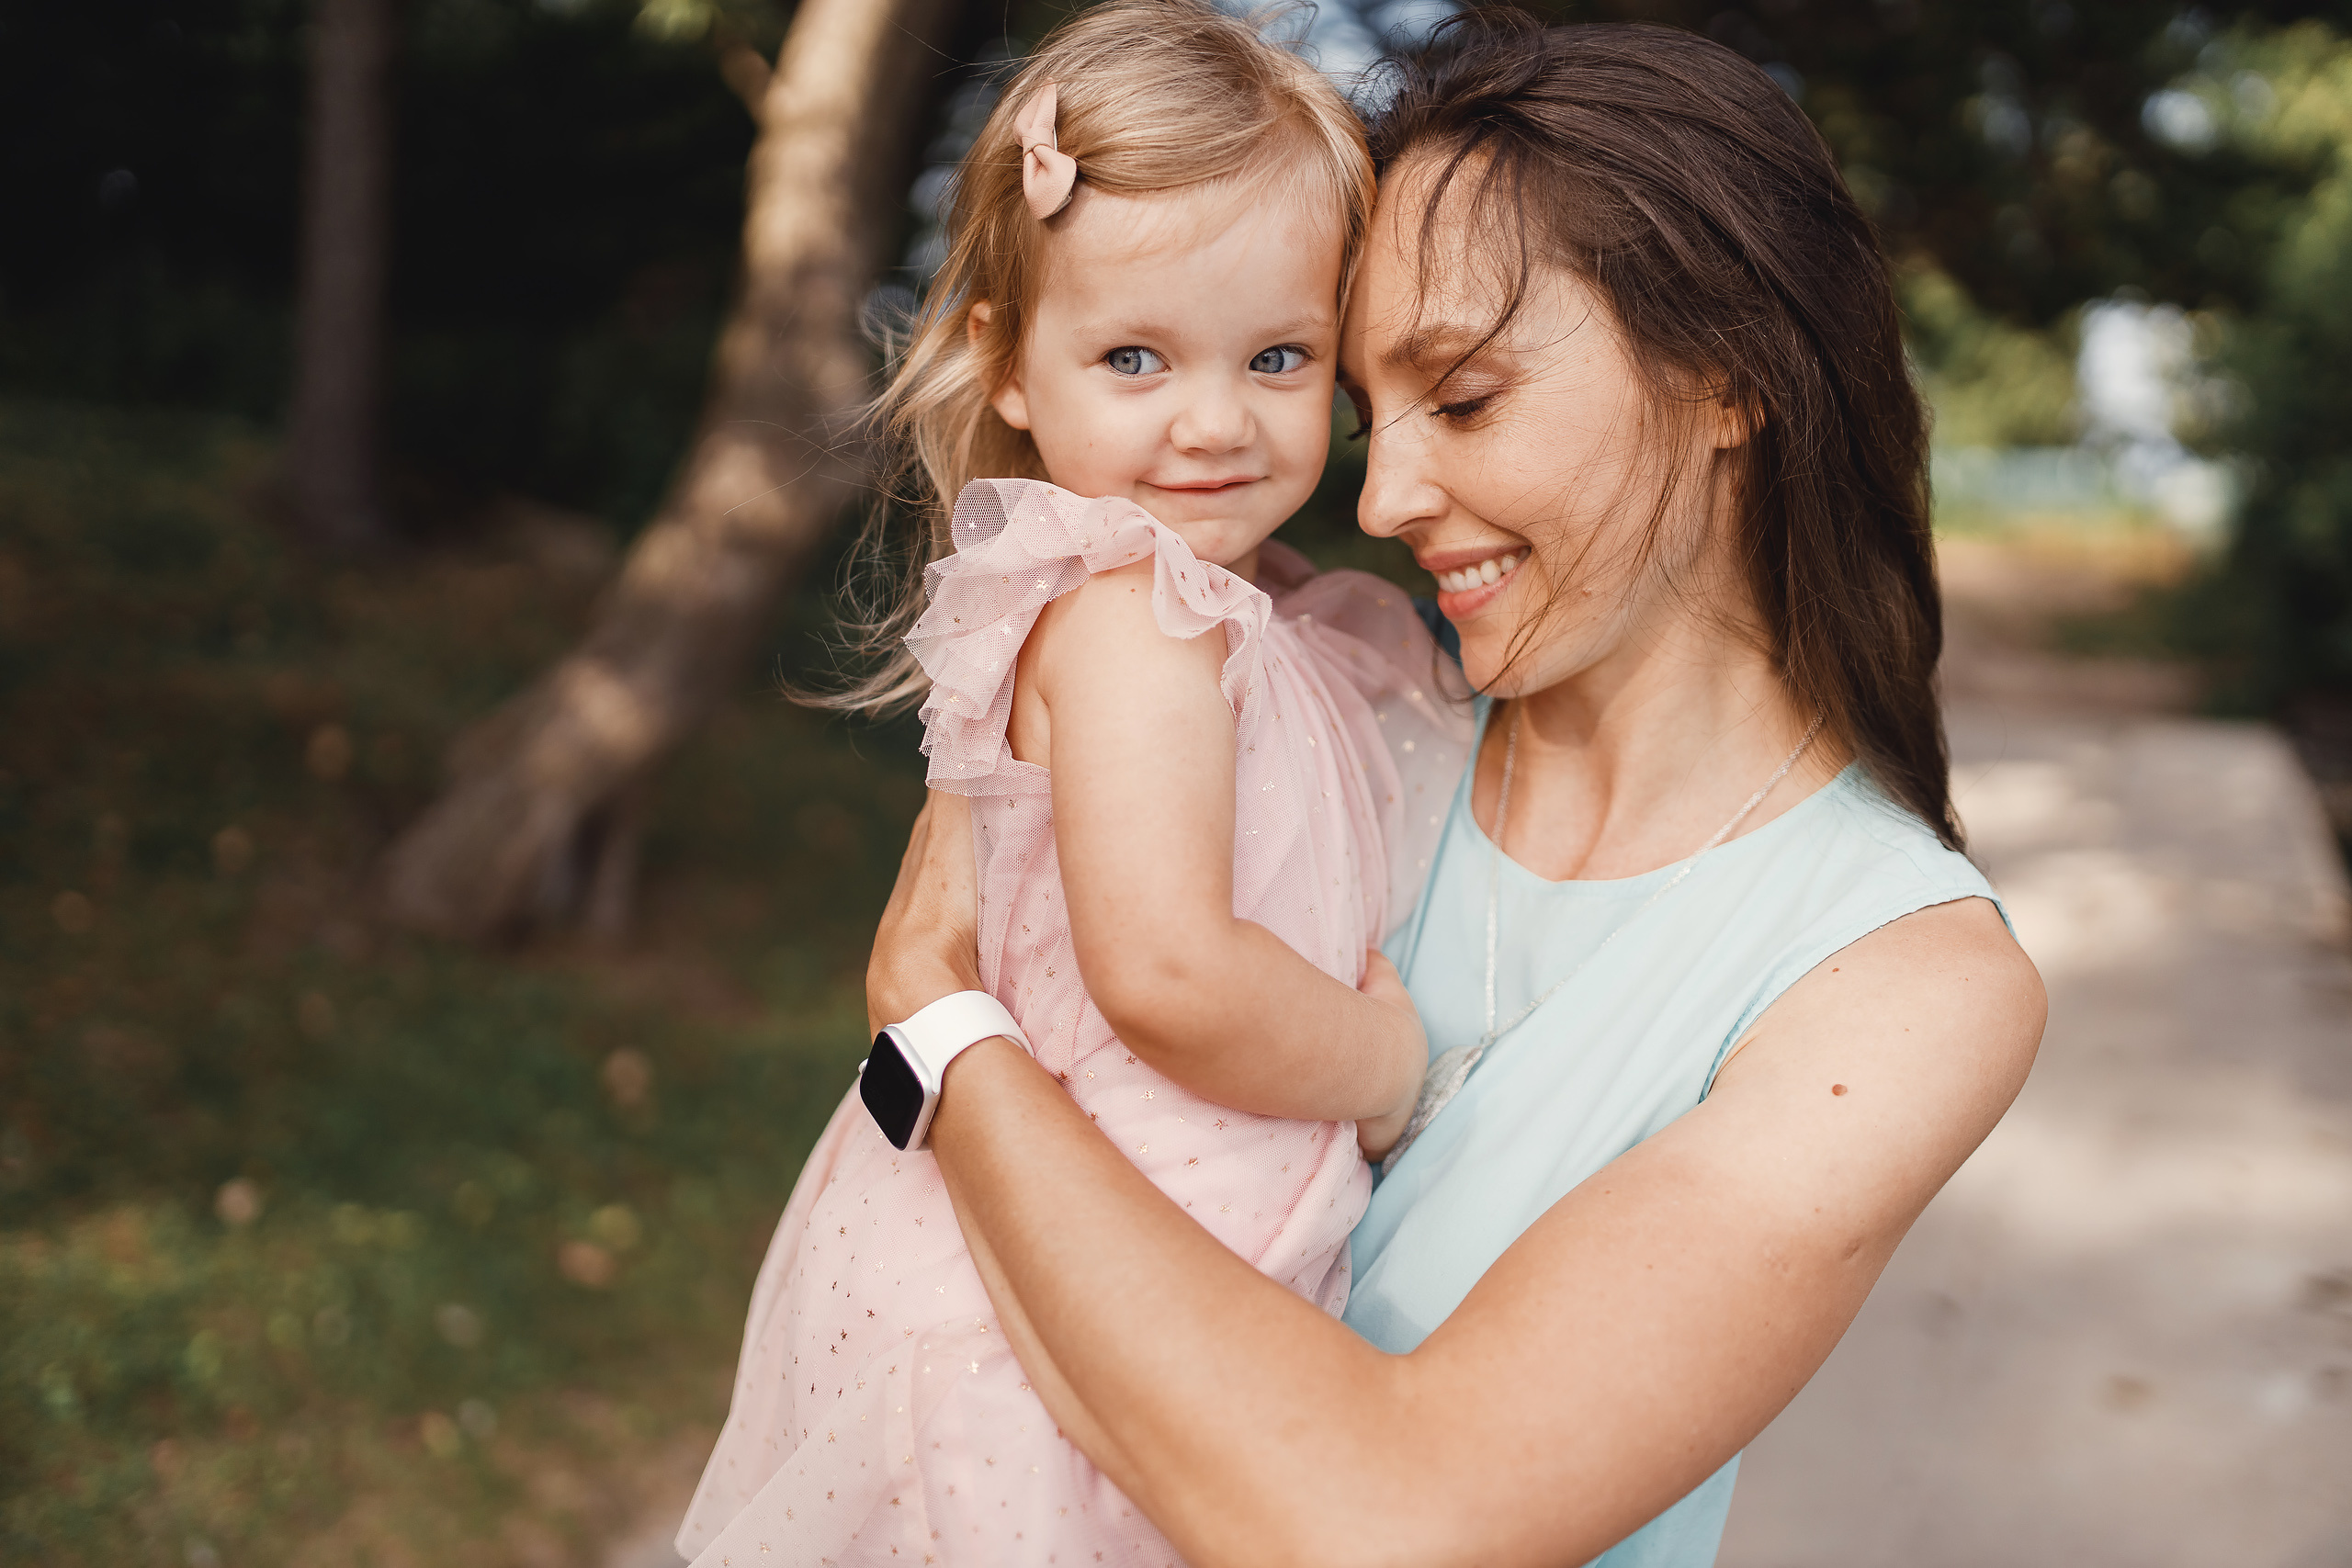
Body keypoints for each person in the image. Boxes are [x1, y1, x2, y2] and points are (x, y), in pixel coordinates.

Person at [865, 14, 2048, 1567]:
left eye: (1467, 399)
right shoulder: (1325, 718)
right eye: (1366, 409)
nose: (1382, 496)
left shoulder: (1905, 989)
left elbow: (1380, 1525)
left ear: (1726, 378)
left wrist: (936, 1036)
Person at [673, 5, 1472, 1562]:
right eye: (1134, 356)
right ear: (1008, 366)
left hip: (1155, 1220)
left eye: (1279, 356)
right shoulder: (1126, 615)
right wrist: (1388, 1068)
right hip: (1083, 1258)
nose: (1215, 419)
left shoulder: (1239, 615)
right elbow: (1169, 972)